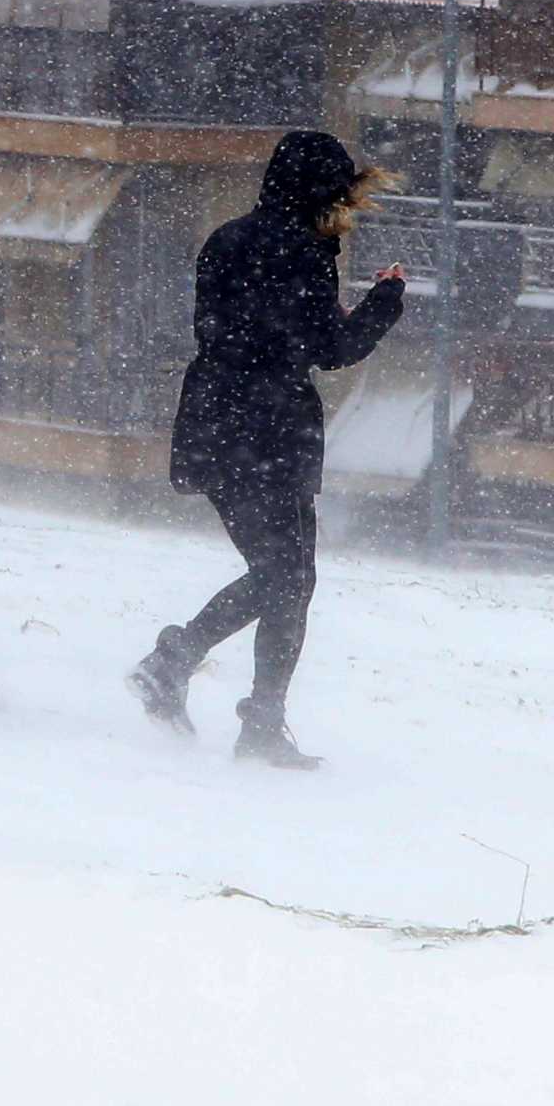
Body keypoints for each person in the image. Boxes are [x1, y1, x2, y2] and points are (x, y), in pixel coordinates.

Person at [125, 130, 405, 769]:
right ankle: (235, 705)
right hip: (270, 430)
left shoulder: (227, 239)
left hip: (215, 421)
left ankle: (195, 677)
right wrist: (383, 303)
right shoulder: (305, 250)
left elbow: (231, 330)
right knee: (289, 578)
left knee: (282, 576)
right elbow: (330, 350)